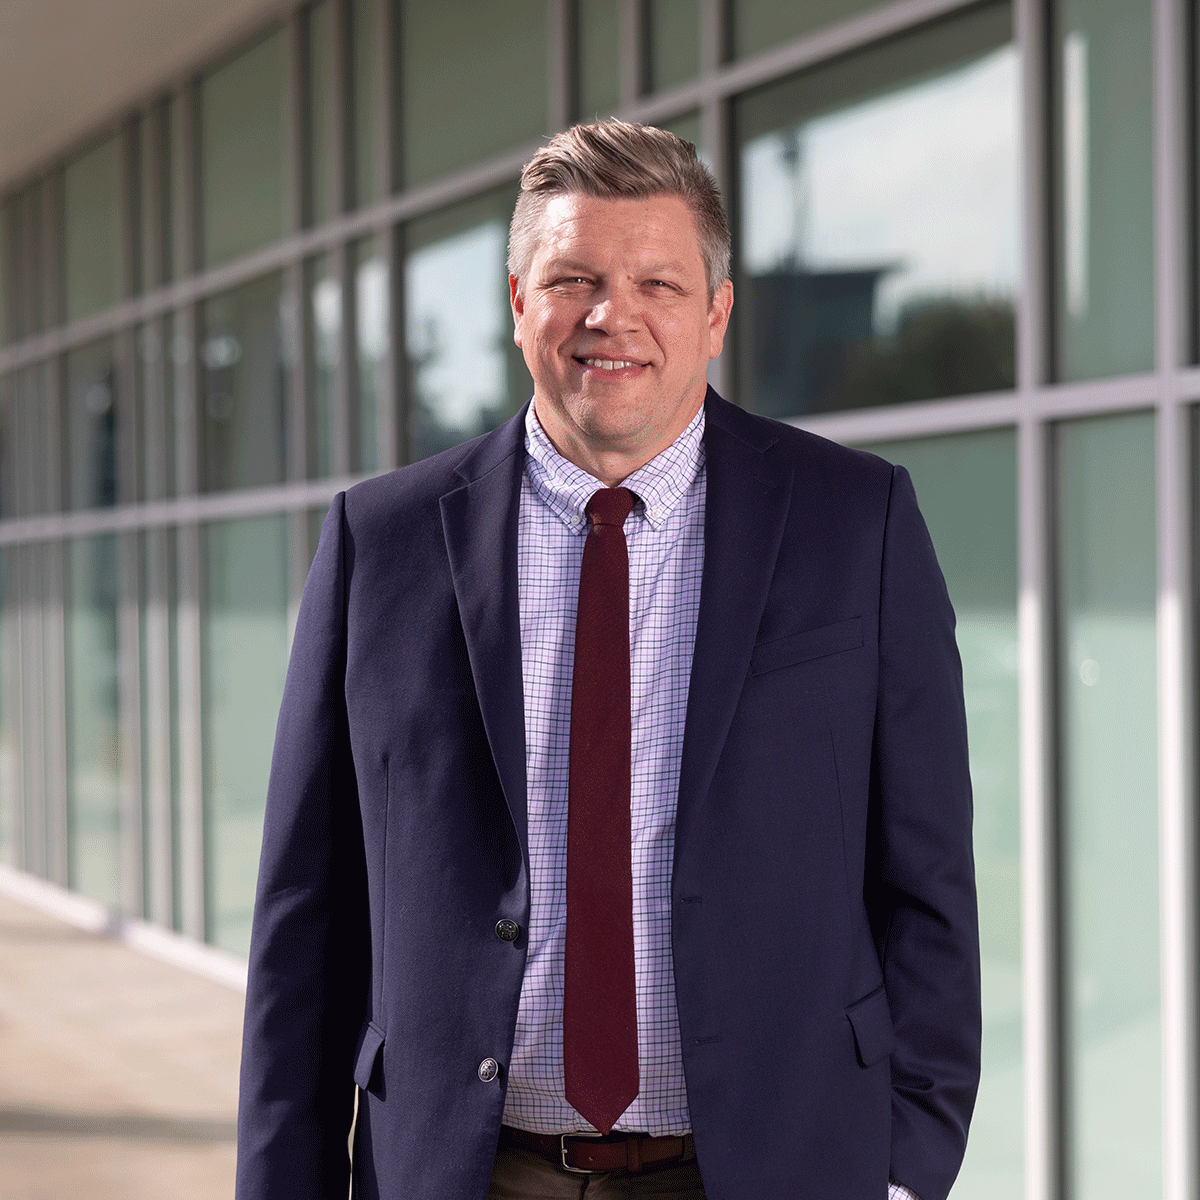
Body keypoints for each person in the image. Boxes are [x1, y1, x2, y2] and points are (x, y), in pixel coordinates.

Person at [235, 119, 979, 1200]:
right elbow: (307, 923)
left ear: (717, 313)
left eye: (658, 285)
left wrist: (908, 1167)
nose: (609, 315)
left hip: (774, 1168)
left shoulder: (855, 524)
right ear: (517, 300)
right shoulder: (379, 545)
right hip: (464, 1172)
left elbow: (929, 890)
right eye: (572, 277)